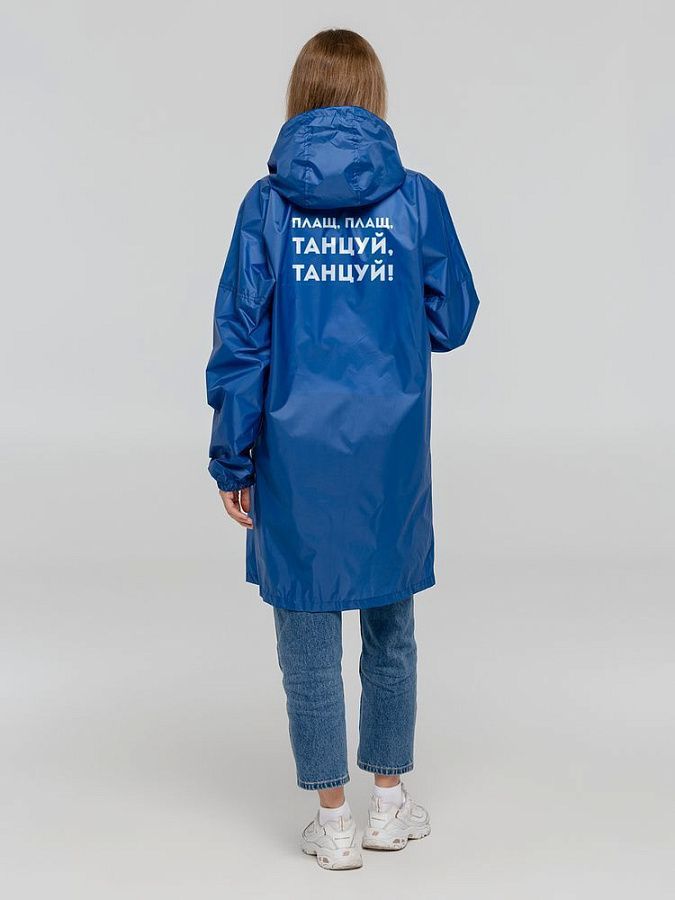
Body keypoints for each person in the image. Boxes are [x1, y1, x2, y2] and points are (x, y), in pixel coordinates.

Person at [206, 29, 479, 870]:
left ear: (301, 96)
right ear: (372, 97)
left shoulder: (266, 206)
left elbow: (241, 338)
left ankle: (331, 822)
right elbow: (451, 320)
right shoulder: (415, 199)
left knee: (306, 637)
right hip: (388, 454)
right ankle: (387, 807)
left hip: (292, 452)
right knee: (389, 626)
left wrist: (232, 457)